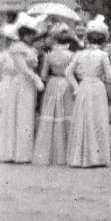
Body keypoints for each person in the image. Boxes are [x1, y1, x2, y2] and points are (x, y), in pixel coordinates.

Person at [66, 15, 111, 168]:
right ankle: (97, 157)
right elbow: (110, 77)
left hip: (84, 87)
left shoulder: (79, 54)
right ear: (102, 40)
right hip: (97, 87)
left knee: (84, 119)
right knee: (97, 120)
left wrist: (76, 87)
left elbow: (68, 72)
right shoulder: (103, 55)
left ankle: (81, 157)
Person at [0, 13, 46, 163]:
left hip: (27, 85)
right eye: (29, 34)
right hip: (20, 83)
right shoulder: (17, 48)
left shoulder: (29, 48)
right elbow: (23, 68)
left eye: (32, 34)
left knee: (26, 116)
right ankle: (16, 153)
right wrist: (37, 79)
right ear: (23, 34)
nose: (32, 37)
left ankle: (23, 153)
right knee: (20, 116)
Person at [33, 23, 75, 165]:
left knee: (52, 115)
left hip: (52, 84)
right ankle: (66, 151)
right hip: (66, 83)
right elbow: (74, 73)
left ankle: (50, 152)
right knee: (66, 114)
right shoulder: (71, 55)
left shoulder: (49, 55)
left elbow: (44, 76)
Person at [0, 24, 19, 162]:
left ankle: (12, 152)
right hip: (4, 86)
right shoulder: (1, 56)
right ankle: (2, 151)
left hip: (16, 87)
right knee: (2, 117)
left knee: (12, 117)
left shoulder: (16, 55)